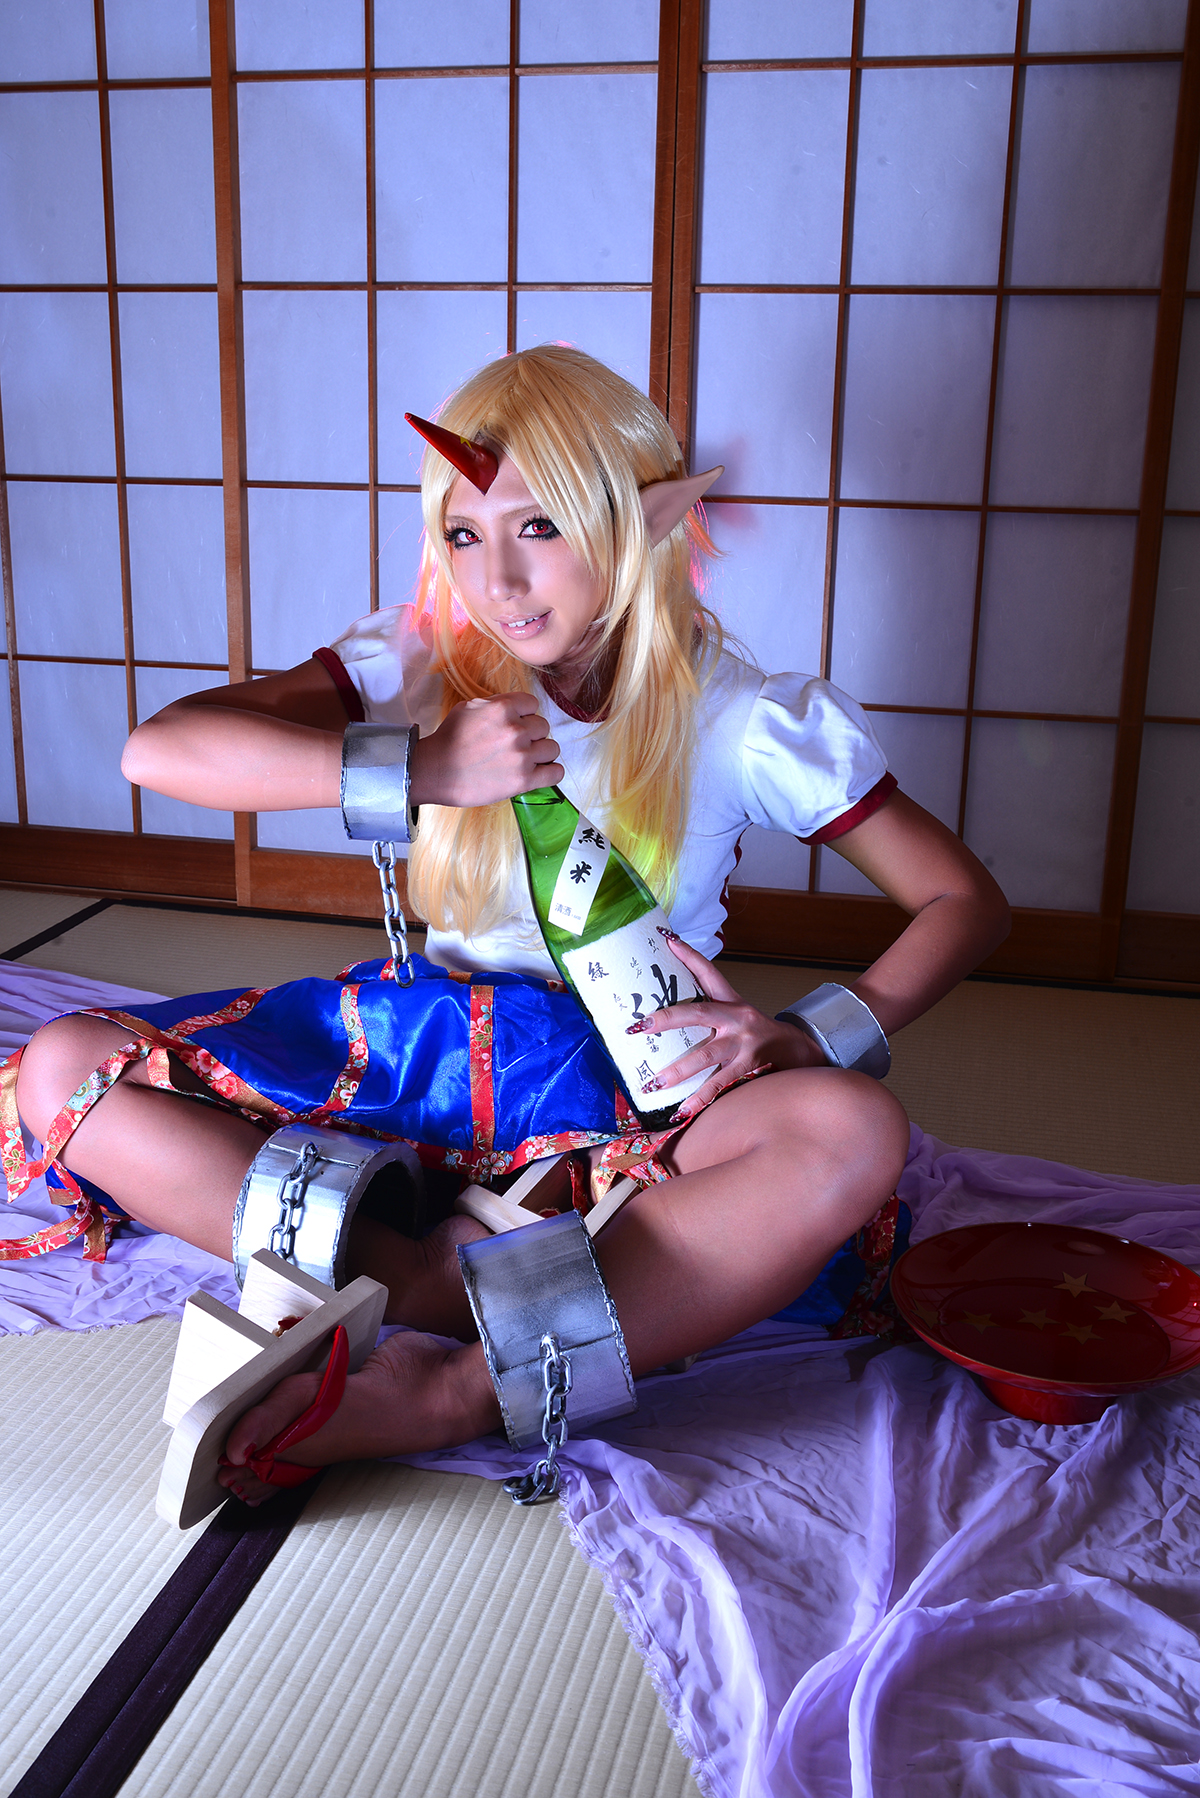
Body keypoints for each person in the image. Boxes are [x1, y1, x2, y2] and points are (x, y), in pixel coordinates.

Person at [10, 346, 1009, 1504]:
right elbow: (161, 749)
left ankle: (454, 1385)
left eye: (540, 527)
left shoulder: (741, 717)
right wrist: (420, 766)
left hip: (627, 1075)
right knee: (63, 1067)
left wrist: (809, 1034)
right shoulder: (425, 661)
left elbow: (964, 901)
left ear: (643, 521)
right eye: (465, 535)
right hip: (418, 1061)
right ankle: (429, 1282)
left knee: (849, 1128)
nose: (499, 579)